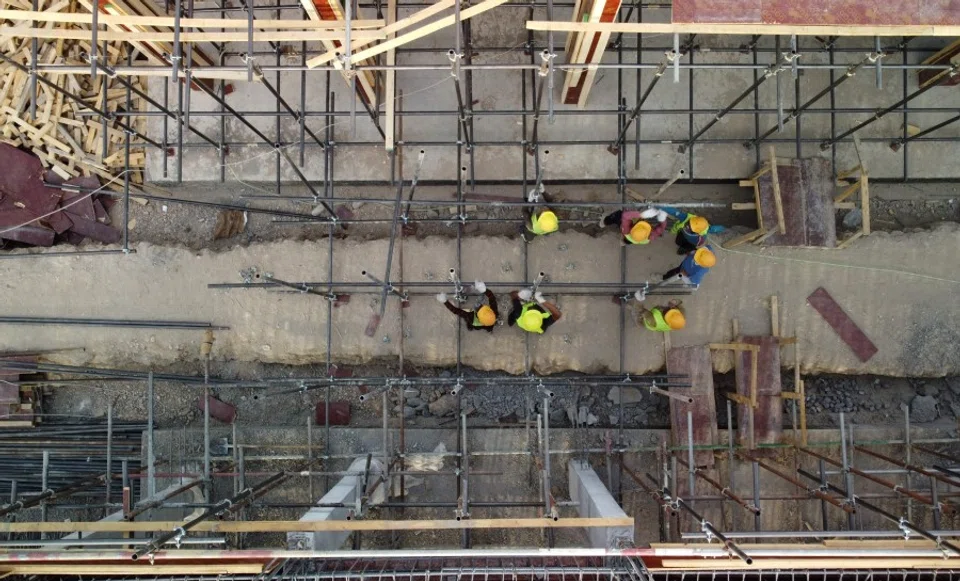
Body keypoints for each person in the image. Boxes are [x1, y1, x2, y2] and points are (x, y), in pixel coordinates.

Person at [660, 206, 725, 254]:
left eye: (690, 227)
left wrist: (724, 228)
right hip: (683, 235)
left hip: (693, 242)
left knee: (687, 247)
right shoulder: (686, 218)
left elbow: (716, 228)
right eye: (689, 223)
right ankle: (681, 246)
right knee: (678, 242)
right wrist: (660, 206)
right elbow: (674, 212)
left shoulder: (705, 230)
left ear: (698, 231)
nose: (687, 226)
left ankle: (683, 250)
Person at [599, 207, 668, 245]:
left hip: (625, 230)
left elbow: (625, 215)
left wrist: (641, 215)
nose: (642, 221)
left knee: (618, 215)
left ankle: (605, 221)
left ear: (633, 228)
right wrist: (662, 219)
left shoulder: (627, 231)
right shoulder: (650, 236)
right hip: (636, 239)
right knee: (628, 241)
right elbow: (661, 229)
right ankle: (623, 242)